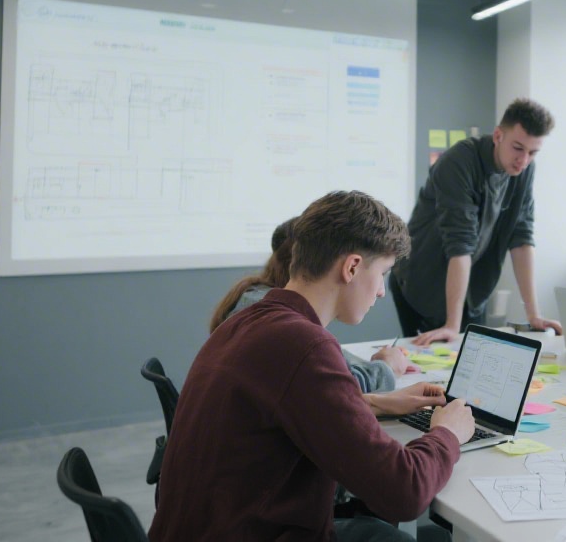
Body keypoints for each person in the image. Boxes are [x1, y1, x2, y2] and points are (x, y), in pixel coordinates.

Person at [149, 190, 475, 542]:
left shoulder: (247, 321)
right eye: (382, 273)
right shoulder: (305, 346)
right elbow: (404, 493)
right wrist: (447, 434)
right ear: (351, 267)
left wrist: (373, 403)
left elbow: (280, 410)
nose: (382, 291)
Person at [392, 98, 562, 344]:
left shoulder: (524, 170)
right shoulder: (458, 162)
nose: (523, 160)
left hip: (470, 285)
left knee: (470, 362)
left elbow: (522, 238)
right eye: (517, 148)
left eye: (533, 153)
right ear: (497, 136)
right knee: (430, 369)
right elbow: (460, 243)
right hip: (422, 282)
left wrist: (534, 314)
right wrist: (452, 325)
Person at [209, 216, 409, 393]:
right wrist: (388, 368)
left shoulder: (257, 304)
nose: (382, 291)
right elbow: (340, 388)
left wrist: (378, 405)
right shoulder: (292, 333)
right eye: (382, 273)